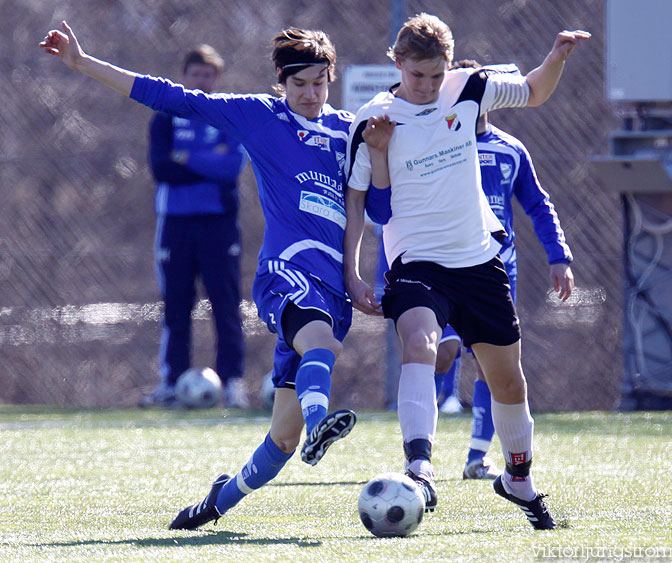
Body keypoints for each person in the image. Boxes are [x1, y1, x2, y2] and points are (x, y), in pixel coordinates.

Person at [40, 22, 357, 530]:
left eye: (319, 83)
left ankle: (216, 503)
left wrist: (383, 153)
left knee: (281, 440)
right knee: (320, 343)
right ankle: (323, 424)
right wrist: (84, 63)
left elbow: (376, 204)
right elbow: (173, 97)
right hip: (286, 273)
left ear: (331, 80)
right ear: (282, 82)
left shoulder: (348, 130)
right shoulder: (261, 116)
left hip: (335, 287)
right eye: (300, 84)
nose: (311, 93)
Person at [344, 13, 589, 529]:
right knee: (421, 346)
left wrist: (556, 58)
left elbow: (533, 91)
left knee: (508, 381)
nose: (429, 86)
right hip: (415, 263)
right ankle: (420, 468)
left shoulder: (470, 88)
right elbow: (371, 211)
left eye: (437, 75)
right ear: (397, 63)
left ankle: (517, 479)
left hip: (478, 260)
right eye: (418, 76)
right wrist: (354, 272)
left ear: (450, 67)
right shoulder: (372, 119)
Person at [440, 59, 575, 481]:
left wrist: (559, 256)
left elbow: (538, 203)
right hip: (444, 265)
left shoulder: (510, 149)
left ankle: (477, 457)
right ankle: (418, 451)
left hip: (498, 270)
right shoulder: (435, 145)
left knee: (491, 367)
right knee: (439, 352)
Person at [139, 45, 249, 409]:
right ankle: (171, 381)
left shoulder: (228, 116)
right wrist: (206, 160)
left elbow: (231, 167)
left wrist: (186, 158)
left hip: (219, 224)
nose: (201, 80)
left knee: (226, 305)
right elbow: (162, 169)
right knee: (175, 305)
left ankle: (232, 382)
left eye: (208, 75)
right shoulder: (165, 118)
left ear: (217, 79)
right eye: (195, 74)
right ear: (184, 76)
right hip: (176, 224)